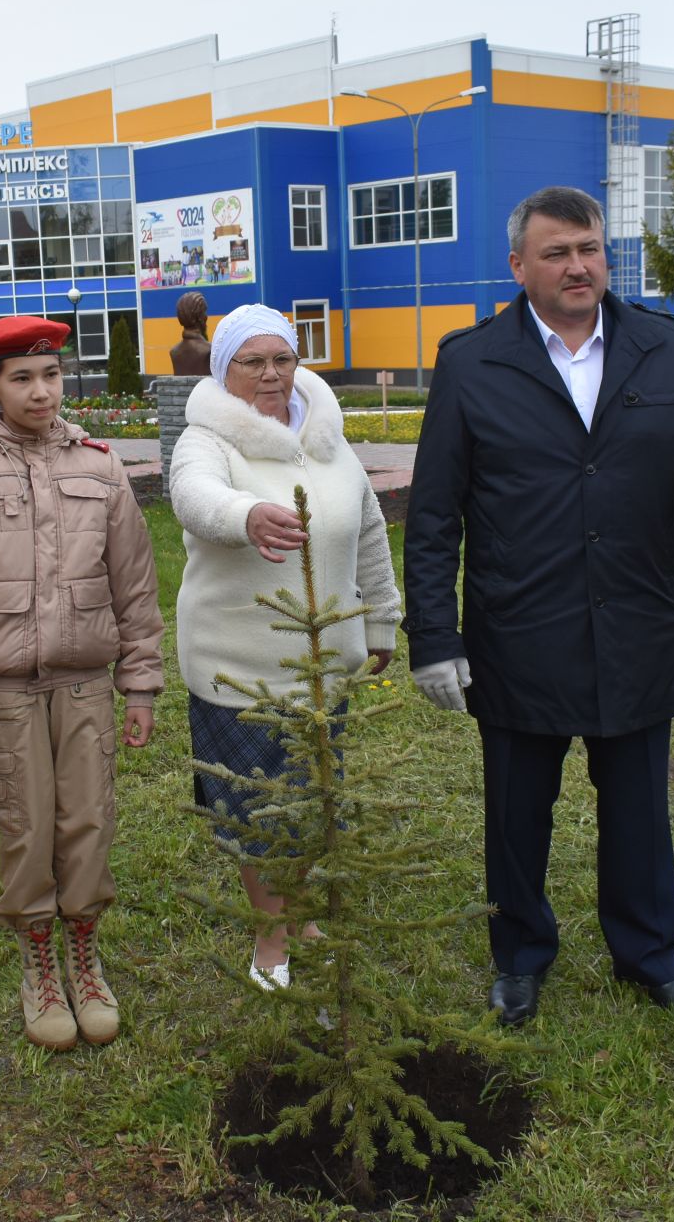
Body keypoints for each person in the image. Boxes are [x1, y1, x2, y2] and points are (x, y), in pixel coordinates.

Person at [402, 187, 674, 1027]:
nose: (579, 266)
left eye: (591, 249)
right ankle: (521, 956)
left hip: (635, 623)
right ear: (518, 266)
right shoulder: (472, 362)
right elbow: (434, 514)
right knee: (517, 814)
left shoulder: (664, 348)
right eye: (557, 252)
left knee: (641, 811)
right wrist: (434, 635)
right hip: (519, 631)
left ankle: (648, 955)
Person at [0, 317, 164, 1051]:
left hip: (84, 683)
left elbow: (134, 584)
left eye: (52, 375)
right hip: (2, 691)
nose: (41, 391)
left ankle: (85, 956)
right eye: (22, 378)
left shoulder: (99, 469)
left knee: (87, 821)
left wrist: (142, 683)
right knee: (27, 827)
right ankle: (38, 958)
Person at [169, 304, 402, 987]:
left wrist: (380, 620)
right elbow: (192, 497)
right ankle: (271, 938)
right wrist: (245, 516)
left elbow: (366, 531)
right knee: (253, 809)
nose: (271, 374)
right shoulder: (206, 438)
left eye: (283, 359)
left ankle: (298, 910)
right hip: (235, 668)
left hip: (322, 664)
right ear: (225, 369)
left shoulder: (327, 438)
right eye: (253, 361)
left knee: (307, 797)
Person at [169, 292, 212, 376]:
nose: (206, 317)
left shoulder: (175, 351)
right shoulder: (208, 350)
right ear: (198, 317)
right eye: (204, 312)